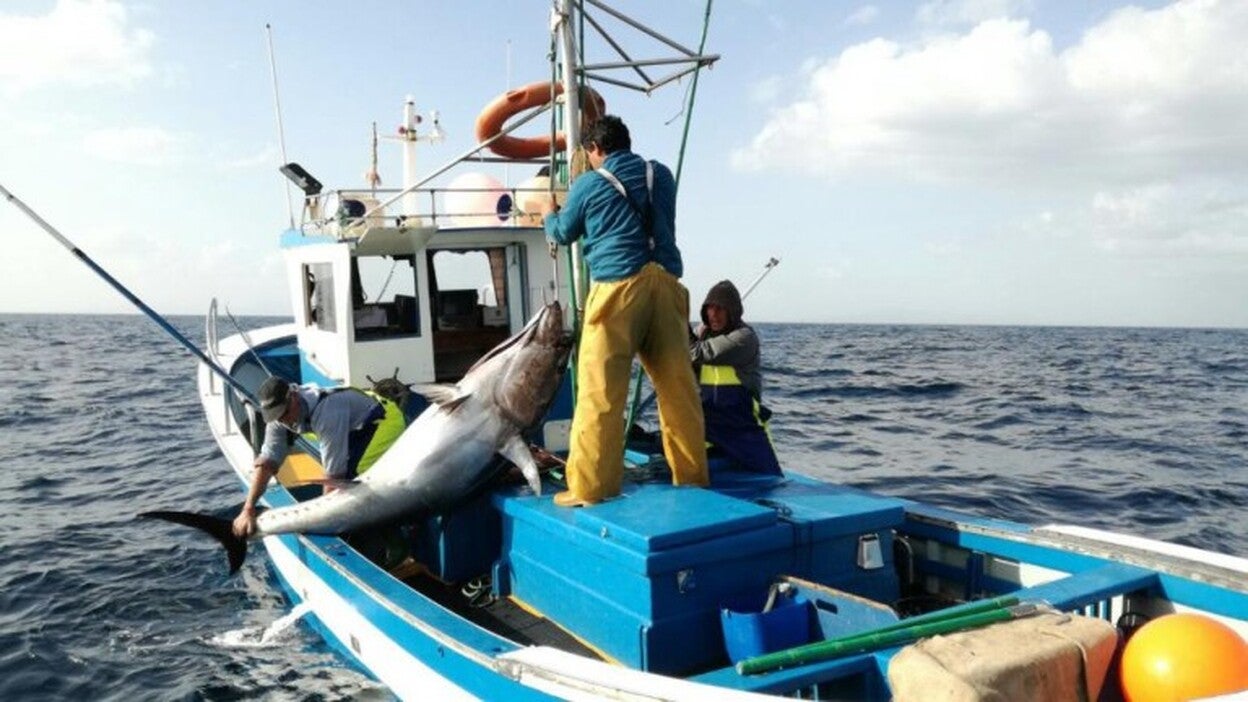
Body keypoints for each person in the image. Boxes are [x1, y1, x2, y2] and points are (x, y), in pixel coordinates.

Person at [540, 114, 709, 506]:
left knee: (601, 394)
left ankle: (590, 489)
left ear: (594, 149)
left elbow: (563, 233)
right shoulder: (660, 174)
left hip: (617, 289)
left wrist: (549, 212)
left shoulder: (587, 183)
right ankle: (693, 479)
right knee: (678, 390)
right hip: (666, 286)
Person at [231, 377, 406, 537]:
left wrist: (324, 522)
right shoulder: (279, 418)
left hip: (382, 420)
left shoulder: (328, 413)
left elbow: (334, 477)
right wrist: (248, 508)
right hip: (350, 422)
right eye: (277, 417)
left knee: (358, 480)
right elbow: (268, 461)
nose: (284, 420)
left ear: (293, 396)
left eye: (285, 413)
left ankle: (393, 535)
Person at [690, 280, 783, 475]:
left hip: (744, 432)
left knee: (768, 481)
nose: (714, 314)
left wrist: (679, 323)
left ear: (732, 311)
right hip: (708, 428)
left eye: (720, 309)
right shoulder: (702, 333)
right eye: (709, 308)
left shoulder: (744, 338)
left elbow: (697, 353)